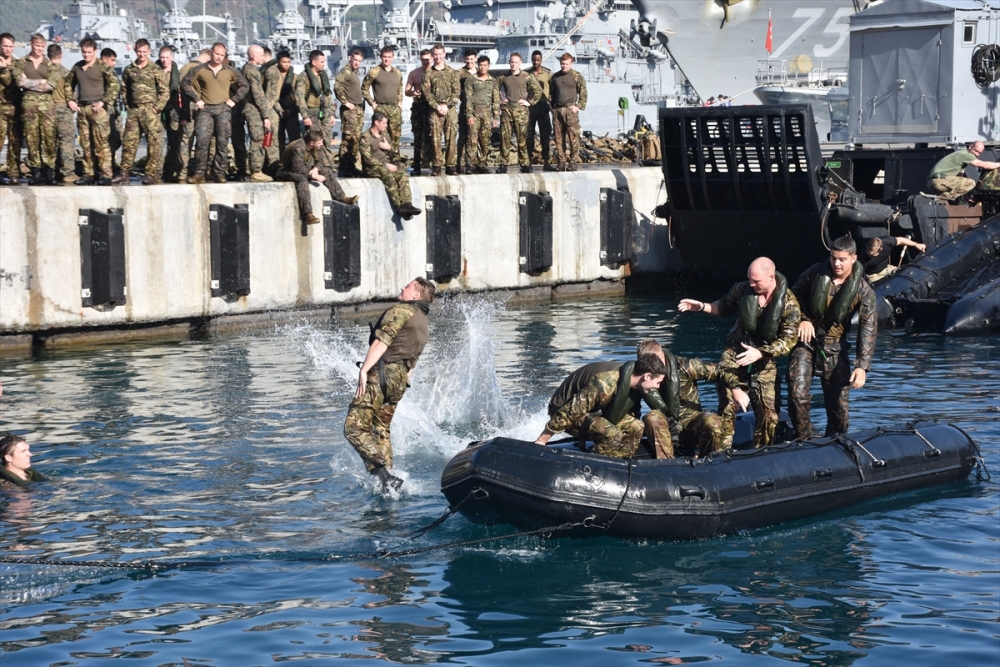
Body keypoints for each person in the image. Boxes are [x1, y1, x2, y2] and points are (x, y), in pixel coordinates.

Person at [678, 257, 801, 448]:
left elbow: (788, 340)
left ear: (771, 277)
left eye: (756, 281)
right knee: (728, 403)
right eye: (750, 279)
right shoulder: (743, 289)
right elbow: (723, 307)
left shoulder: (789, 303)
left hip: (764, 357)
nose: (751, 284)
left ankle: (762, 451)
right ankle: (722, 450)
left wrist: (760, 353)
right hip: (735, 351)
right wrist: (701, 306)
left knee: (769, 414)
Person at [344, 277, 437, 491]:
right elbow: (413, 362)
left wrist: (364, 370)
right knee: (381, 429)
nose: (402, 287)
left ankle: (383, 475)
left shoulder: (401, 311)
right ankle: (390, 483)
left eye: (406, 286)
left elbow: (382, 342)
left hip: (383, 375)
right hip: (400, 382)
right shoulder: (423, 323)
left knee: (353, 428)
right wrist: (401, 384)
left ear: (416, 295)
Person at [788, 235, 877, 439]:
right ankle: (803, 440)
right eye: (833, 258)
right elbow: (792, 297)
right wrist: (803, 318)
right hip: (806, 344)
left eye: (842, 259)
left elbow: (868, 327)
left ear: (854, 258)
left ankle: (835, 444)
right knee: (796, 395)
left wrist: (862, 366)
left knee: (839, 409)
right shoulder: (814, 274)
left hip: (836, 348)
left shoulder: (864, 291)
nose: (836, 263)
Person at [535, 353, 667, 458]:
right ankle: (598, 465)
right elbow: (571, 411)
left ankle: (622, 462)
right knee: (611, 433)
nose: (657, 387)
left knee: (638, 427)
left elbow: (632, 414)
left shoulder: (634, 385)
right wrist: (542, 440)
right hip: (563, 410)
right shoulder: (605, 383)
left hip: (592, 411)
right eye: (658, 382)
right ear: (647, 376)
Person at [180, 42, 249, 184]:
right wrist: (197, 99)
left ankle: (219, 173)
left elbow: (244, 85)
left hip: (223, 109)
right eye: (217, 54)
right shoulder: (199, 69)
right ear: (211, 53)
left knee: (222, 142)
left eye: (222, 55)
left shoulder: (230, 70)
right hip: (206, 110)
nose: (219, 57)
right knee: (202, 141)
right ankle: (200, 173)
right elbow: (185, 83)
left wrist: (233, 100)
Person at [276, 128, 357, 225]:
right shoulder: (299, 148)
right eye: (319, 143)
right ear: (311, 143)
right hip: (286, 170)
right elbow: (297, 169)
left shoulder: (316, 146)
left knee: (326, 171)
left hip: (303, 167)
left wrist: (316, 170)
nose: (321, 144)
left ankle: (342, 197)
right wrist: (315, 177)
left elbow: (320, 161)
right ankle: (307, 214)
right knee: (301, 179)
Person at [116, 39, 169, 185]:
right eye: (139, 51)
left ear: (149, 51)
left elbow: (165, 92)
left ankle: (151, 174)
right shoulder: (129, 69)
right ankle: (124, 172)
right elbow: (124, 89)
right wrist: (128, 106)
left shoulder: (155, 70)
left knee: (154, 143)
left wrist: (156, 108)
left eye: (144, 52)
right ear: (135, 51)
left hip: (150, 110)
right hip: (134, 110)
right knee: (129, 143)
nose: (142, 54)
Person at [68, 37, 119, 186]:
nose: (86, 55)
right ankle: (88, 174)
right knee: (86, 145)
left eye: (89, 52)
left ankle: (105, 174)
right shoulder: (77, 67)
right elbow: (68, 84)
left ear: (95, 51)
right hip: (82, 109)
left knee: (101, 144)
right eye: (84, 52)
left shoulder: (102, 66)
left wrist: (103, 101)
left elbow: (114, 85)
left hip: (98, 110)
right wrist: (70, 100)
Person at [12, 33, 60, 185]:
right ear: (31, 45)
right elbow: (19, 82)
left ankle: (48, 170)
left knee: (49, 139)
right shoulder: (21, 63)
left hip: (47, 107)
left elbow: (51, 84)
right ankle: (36, 171)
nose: (39, 49)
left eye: (41, 46)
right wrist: (41, 82)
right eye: (37, 46)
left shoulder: (50, 65)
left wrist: (30, 81)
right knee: (32, 139)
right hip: (29, 107)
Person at [360, 111, 422, 220]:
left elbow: (395, 153)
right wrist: (385, 165)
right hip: (372, 168)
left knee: (402, 175)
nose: (386, 126)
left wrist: (389, 148)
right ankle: (399, 207)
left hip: (387, 165)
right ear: (376, 122)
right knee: (388, 176)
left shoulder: (385, 136)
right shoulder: (366, 137)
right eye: (384, 123)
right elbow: (367, 159)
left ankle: (407, 204)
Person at [235, 44, 276, 182]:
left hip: (248, 107)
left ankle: (253, 169)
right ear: (253, 56)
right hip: (253, 108)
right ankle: (256, 170)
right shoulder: (252, 71)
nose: (263, 57)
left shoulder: (245, 69)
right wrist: (265, 115)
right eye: (261, 55)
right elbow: (258, 94)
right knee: (257, 138)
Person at [497, 52, 541, 174]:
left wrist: (530, 102)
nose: (513, 64)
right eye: (512, 62)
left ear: (520, 63)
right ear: (509, 62)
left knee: (522, 139)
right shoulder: (503, 77)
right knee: (505, 138)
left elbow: (538, 90)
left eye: (516, 62)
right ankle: (503, 164)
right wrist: (500, 100)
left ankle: (525, 164)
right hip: (507, 111)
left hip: (521, 112)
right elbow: (494, 89)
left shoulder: (527, 76)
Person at [422, 43, 461, 176]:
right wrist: (437, 106)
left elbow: (457, 92)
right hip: (435, 109)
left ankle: (451, 165)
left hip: (449, 110)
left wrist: (447, 106)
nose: (438, 57)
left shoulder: (452, 72)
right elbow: (426, 93)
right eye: (436, 55)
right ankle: (437, 166)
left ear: (444, 55)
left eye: (440, 54)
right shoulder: (428, 73)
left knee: (451, 138)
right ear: (433, 56)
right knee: (435, 139)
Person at [173, 48, 210, 183]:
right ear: (207, 59)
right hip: (202, 107)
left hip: (185, 107)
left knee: (185, 140)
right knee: (204, 139)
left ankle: (182, 172)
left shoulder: (184, 68)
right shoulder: (205, 70)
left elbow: (178, 88)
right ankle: (202, 171)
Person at [362, 46, 404, 157]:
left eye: (389, 57)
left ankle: (395, 159)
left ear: (393, 57)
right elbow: (364, 88)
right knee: (381, 136)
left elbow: (400, 88)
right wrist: (371, 102)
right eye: (384, 57)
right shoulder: (374, 71)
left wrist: (399, 102)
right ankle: (382, 160)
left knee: (395, 137)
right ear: (381, 57)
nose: (387, 59)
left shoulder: (397, 73)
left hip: (394, 109)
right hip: (381, 108)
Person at [549, 53, 587, 172]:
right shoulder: (555, 77)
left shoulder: (577, 76)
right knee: (558, 138)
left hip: (571, 110)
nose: (564, 66)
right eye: (562, 64)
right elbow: (551, 93)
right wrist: (552, 107)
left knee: (573, 137)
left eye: (566, 64)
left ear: (571, 63)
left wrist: (578, 106)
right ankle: (561, 162)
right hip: (558, 110)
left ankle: (573, 162)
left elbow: (583, 93)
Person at [928, 141, 1000, 202]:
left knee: (966, 184)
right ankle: (939, 199)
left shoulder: (962, 162)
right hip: (939, 181)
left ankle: (941, 200)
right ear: (970, 147)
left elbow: (962, 184)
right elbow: (985, 165)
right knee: (971, 183)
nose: (976, 154)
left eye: (979, 153)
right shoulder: (966, 155)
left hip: (934, 182)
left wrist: (967, 198)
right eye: (975, 150)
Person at [462, 55, 499, 174]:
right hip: (474, 114)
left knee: (485, 140)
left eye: (485, 65)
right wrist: (469, 116)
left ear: (488, 66)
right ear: (478, 66)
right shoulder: (471, 80)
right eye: (481, 65)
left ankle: (481, 163)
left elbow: (496, 99)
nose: (482, 67)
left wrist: (496, 117)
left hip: (487, 115)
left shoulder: (493, 81)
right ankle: (470, 164)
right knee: (472, 140)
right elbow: (468, 99)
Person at [47, 44, 76, 185]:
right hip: (63, 108)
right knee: (67, 141)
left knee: (49, 142)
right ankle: (68, 172)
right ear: (61, 55)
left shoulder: (44, 71)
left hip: (47, 109)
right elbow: (71, 93)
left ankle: (50, 171)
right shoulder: (66, 73)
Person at [333, 48, 363, 176]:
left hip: (357, 110)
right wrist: (345, 102)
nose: (357, 63)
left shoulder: (354, 72)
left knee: (355, 140)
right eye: (355, 60)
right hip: (349, 111)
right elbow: (337, 86)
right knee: (348, 139)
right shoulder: (346, 72)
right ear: (350, 58)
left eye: (359, 61)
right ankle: (344, 167)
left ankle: (351, 165)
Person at [157, 45, 184, 183]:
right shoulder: (154, 71)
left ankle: (170, 169)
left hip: (173, 109)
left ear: (172, 58)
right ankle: (157, 171)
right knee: (157, 141)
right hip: (158, 110)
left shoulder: (177, 74)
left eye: (167, 57)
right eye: (162, 57)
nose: (164, 60)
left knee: (174, 141)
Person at [265, 50, 299, 152]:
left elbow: (298, 97)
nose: (287, 64)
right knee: (278, 139)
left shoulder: (295, 78)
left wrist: (292, 110)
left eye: (288, 62)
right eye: (284, 62)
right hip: (276, 110)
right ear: (278, 62)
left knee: (295, 138)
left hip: (290, 110)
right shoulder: (273, 75)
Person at [405, 49, 432, 176]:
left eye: (427, 59)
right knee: (417, 138)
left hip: (431, 108)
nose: (426, 62)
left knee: (433, 137)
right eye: (423, 59)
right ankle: (417, 165)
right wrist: (413, 92)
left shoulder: (435, 73)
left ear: (431, 59)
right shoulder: (414, 73)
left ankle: (433, 164)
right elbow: (407, 90)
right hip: (418, 108)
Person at [0, 32, 22, 185]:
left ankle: (13, 172)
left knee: (15, 142)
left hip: (14, 107)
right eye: (5, 46)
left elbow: (16, 82)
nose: (8, 49)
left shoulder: (17, 64)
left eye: (10, 46)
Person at [527, 49, 554, 171]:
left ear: (541, 60)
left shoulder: (548, 74)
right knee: (529, 135)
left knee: (545, 135)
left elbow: (553, 91)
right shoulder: (527, 74)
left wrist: (551, 104)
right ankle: (528, 162)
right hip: (530, 107)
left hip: (543, 107)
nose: (535, 62)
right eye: (533, 60)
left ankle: (546, 161)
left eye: (538, 60)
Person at [100, 48, 124, 175]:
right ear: (104, 59)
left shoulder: (111, 73)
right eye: (112, 60)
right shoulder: (100, 73)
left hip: (115, 111)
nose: (114, 63)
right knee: (105, 140)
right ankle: (104, 166)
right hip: (105, 110)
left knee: (116, 138)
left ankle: (111, 162)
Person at [456, 48, 478, 172]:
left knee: (475, 138)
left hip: (479, 109)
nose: (469, 61)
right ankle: (460, 164)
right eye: (467, 59)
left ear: (475, 59)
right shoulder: (460, 73)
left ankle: (473, 164)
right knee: (463, 137)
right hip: (464, 108)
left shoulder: (480, 72)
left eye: (471, 59)